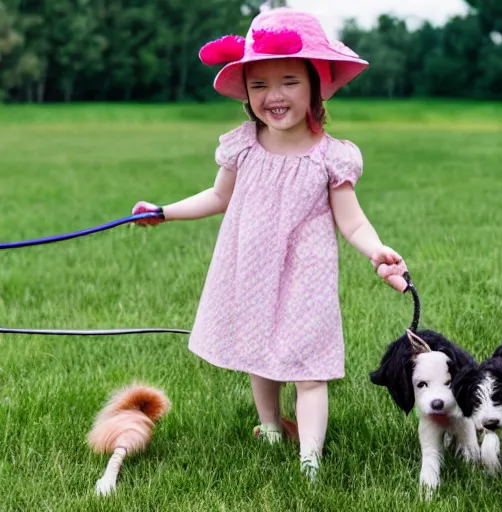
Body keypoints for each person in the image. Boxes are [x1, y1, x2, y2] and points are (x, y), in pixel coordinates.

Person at [131, 7, 408, 482]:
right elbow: (219, 196)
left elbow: (353, 220)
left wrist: (376, 250)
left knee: (309, 366)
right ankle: (271, 426)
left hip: (307, 274)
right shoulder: (244, 144)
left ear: (315, 85)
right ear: (246, 94)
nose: (273, 96)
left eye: (288, 82)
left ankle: (311, 460)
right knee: (261, 353)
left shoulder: (331, 156)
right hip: (253, 267)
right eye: (258, 86)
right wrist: (165, 210)